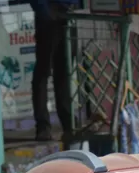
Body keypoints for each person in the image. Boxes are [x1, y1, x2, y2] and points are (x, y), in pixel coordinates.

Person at [30, 0, 78, 142]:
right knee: (43, 72)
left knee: (64, 72)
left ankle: (68, 123)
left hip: (68, 15)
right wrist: (44, 10)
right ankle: (43, 126)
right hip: (48, 17)